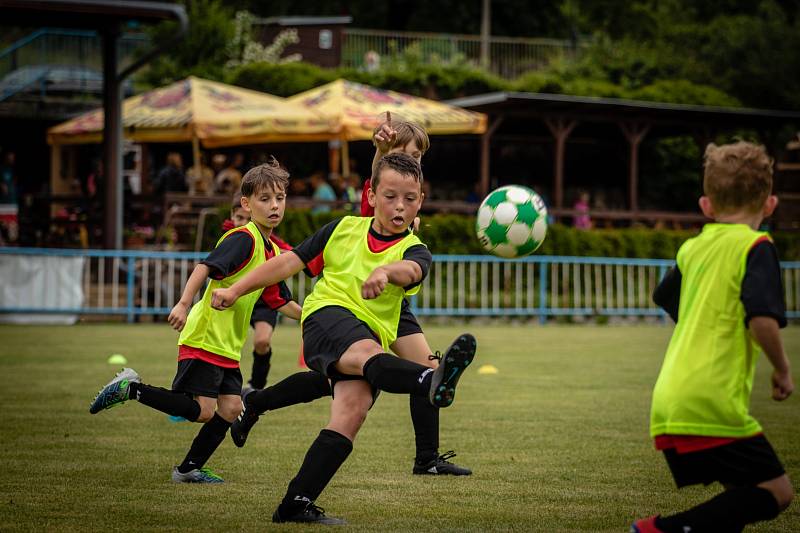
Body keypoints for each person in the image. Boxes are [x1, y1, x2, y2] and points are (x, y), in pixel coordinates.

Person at [210, 153, 477, 524]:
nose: (400, 206)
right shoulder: (343, 228)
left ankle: (295, 503)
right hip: (325, 316)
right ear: (371, 196)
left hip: (366, 332)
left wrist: (386, 271)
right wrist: (236, 289)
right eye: (390, 196)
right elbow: (287, 263)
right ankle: (430, 380)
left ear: (420, 202)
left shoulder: (415, 249)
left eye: (410, 199)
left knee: (352, 412)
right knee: (367, 354)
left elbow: (412, 269)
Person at [88, 159, 301, 483]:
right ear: (245, 204)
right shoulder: (244, 238)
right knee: (202, 410)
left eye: (280, 198)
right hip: (206, 335)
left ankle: (188, 469)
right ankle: (131, 388)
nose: (274, 206)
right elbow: (204, 267)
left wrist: (316, 315)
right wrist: (184, 304)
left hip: (227, 344)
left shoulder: (270, 249)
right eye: (265, 199)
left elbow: (279, 300)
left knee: (230, 409)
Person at [631, 141, 794, 533]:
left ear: (706, 206)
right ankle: (661, 530)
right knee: (776, 492)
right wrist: (782, 370)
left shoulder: (693, 247)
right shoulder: (756, 246)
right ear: (769, 205)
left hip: (671, 397)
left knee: (736, 497)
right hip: (712, 401)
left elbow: (664, 295)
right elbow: (762, 321)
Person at [226, 192, 295, 392]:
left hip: (264, 298)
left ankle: (254, 388)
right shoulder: (229, 238)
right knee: (225, 346)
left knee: (262, 341)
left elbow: (293, 255)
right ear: (232, 216)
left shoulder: (269, 240)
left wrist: (276, 257)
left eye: (248, 219)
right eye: (239, 218)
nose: (243, 222)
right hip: (234, 299)